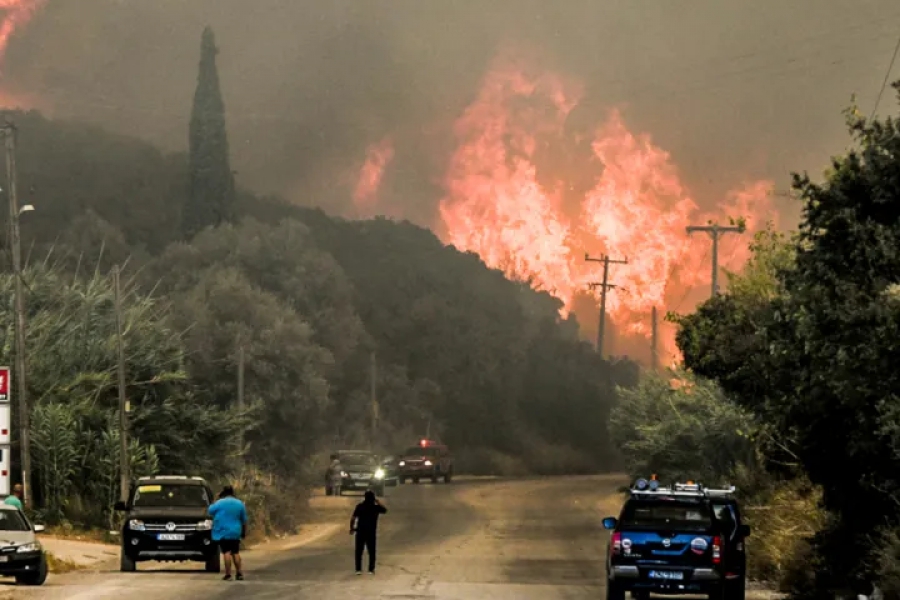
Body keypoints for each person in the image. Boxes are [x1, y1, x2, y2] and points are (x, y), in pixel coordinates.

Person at [208, 485, 247, 581]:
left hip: (223, 531)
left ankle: (228, 575)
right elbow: (244, 520)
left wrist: (217, 499)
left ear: (223, 493)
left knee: (226, 552)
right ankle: (239, 573)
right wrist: (243, 532)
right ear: (233, 493)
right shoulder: (239, 503)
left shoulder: (220, 502)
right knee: (235, 552)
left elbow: (210, 511)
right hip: (235, 531)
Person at [350, 490, 387, 575]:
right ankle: (371, 569)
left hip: (360, 532)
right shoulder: (375, 507)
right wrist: (378, 502)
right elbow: (385, 510)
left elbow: (353, 518)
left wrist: (351, 528)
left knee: (358, 552)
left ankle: (358, 570)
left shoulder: (359, 506)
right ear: (373, 498)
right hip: (371, 533)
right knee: (372, 552)